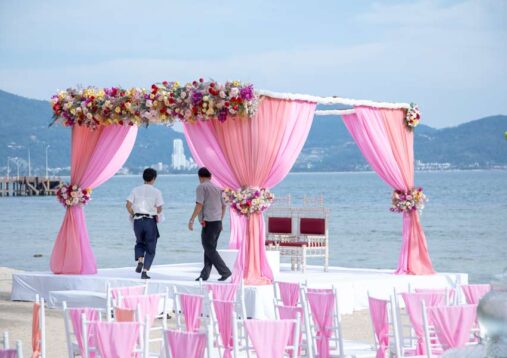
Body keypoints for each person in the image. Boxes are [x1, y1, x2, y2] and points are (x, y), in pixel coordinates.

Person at [188, 167, 232, 282]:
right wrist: (220, 220)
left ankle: (225, 271)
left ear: (200, 177)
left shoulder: (201, 187)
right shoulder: (218, 188)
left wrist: (192, 219)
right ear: (210, 177)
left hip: (209, 223)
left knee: (209, 249)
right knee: (209, 249)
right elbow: (224, 206)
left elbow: (199, 205)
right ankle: (204, 275)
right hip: (217, 222)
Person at [126, 168, 164, 279]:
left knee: (139, 242)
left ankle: (140, 260)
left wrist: (134, 214)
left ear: (143, 177)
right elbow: (160, 207)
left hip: (137, 221)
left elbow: (128, 205)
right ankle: (145, 271)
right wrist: (155, 212)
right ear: (154, 179)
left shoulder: (135, 190)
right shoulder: (157, 192)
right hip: (149, 221)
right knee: (151, 247)